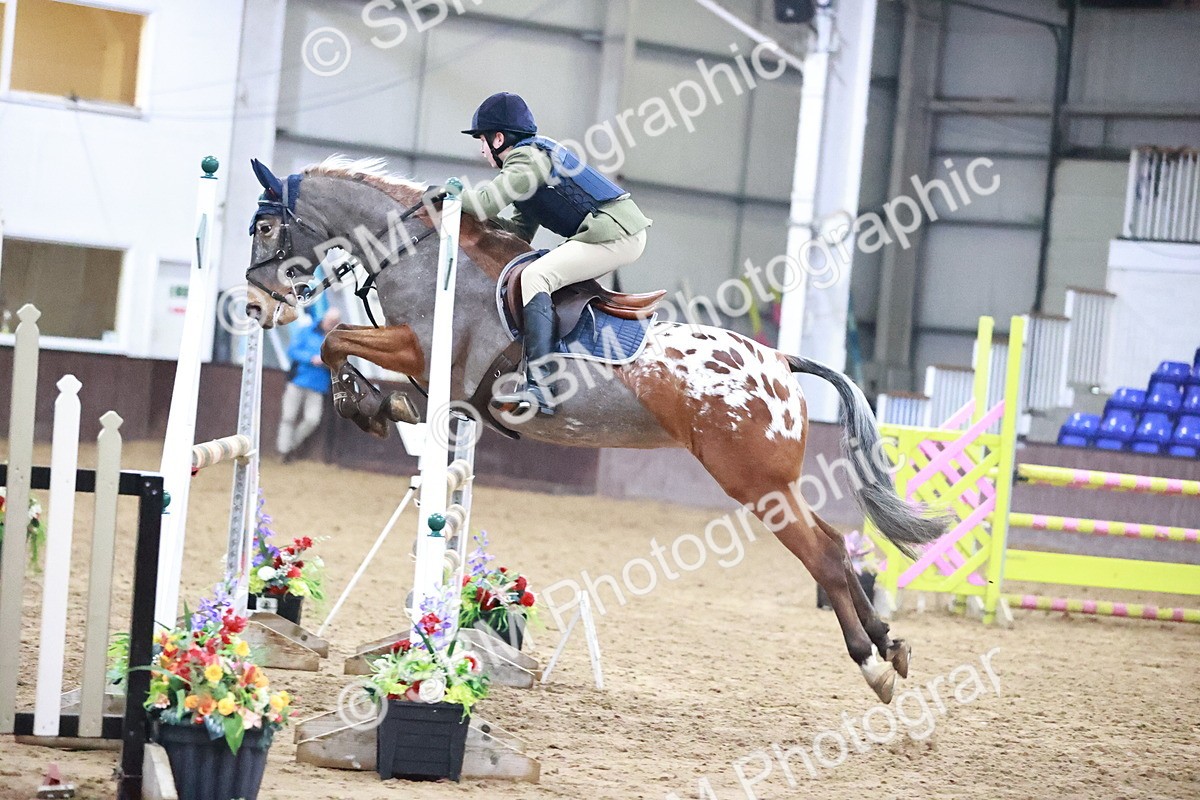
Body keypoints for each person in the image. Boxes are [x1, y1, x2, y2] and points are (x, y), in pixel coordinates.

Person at [456, 91, 652, 416]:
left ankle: (542, 388)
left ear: (499, 138)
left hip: (617, 232)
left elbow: (486, 202)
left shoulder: (525, 159)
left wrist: (450, 197)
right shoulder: (529, 164)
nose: (480, 149)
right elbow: (517, 231)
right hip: (616, 231)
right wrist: (476, 223)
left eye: (482, 140)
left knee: (537, 276)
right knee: (540, 273)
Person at [277, 306, 340, 462]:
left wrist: (326, 361)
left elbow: (339, 362)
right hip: (298, 380)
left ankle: (291, 445)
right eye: (329, 320)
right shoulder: (307, 331)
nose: (330, 324)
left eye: (334, 322)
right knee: (288, 417)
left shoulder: (336, 340)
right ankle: (283, 451)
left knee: (312, 420)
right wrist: (310, 358)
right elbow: (292, 350)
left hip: (318, 386)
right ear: (325, 318)